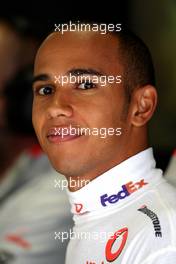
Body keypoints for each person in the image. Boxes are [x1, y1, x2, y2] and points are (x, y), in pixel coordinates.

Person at [32, 22, 176, 263]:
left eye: (85, 85)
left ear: (142, 107)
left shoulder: (162, 241)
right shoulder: (96, 218)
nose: (56, 107)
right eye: (46, 90)